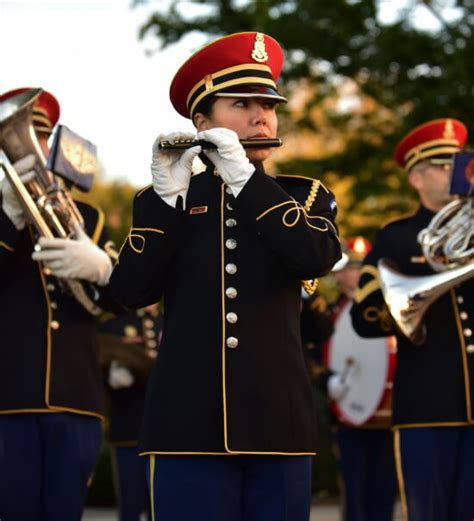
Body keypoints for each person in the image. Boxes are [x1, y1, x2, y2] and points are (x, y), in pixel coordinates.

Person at [109, 31, 342, 521]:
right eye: (243, 103)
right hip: (185, 429)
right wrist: (166, 202)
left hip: (277, 425)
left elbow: (316, 257)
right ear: (201, 121)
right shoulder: (166, 198)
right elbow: (130, 291)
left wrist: (247, 181)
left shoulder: (303, 195)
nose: (263, 116)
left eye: (270, 105)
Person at [0, 87, 118, 521]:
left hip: (77, 396)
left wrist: (103, 267)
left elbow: (117, 301)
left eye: (43, 139)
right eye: (22, 138)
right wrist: (10, 215)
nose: (35, 149)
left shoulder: (88, 218)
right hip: (10, 397)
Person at [350, 119, 473, 521]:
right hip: (427, 407)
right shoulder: (396, 239)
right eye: (444, 164)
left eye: (461, 161)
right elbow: (365, 318)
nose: (459, 170)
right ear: (417, 177)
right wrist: (420, 291)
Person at [326, 237, 397, 521]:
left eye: (357, 268)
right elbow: (313, 355)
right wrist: (328, 380)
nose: (349, 274)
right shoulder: (327, 314)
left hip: (388, 415)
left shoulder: (387, 310)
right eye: (345, 269)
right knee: (353, 490)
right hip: (347, 416)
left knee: (384, 488)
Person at [98, 304, 163, 521]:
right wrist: (110, 375)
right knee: (130, 506)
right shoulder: (114, 326)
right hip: (129, 428)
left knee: (164, 507)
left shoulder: (169, 322)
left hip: (165, 432)